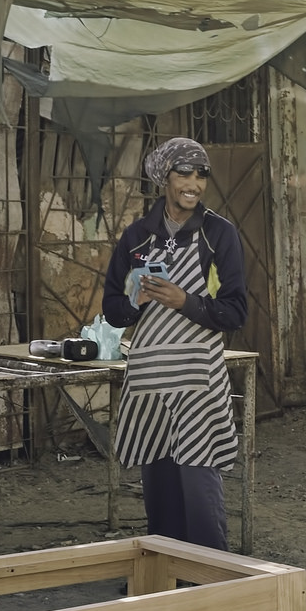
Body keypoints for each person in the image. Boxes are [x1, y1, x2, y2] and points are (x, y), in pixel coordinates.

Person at [102, 137, 249, 550]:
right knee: (159, 484)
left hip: (197, 379)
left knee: (198, 477)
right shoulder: (137, 239)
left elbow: (235, 311)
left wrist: (186, 302)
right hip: (149, 379)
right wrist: (135, 300)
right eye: (184, 173)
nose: (195, 183)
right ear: (163, 177)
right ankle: (164, 572)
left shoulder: (219, 235)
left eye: (202, 174)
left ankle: (210, 571)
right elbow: (112, 310)